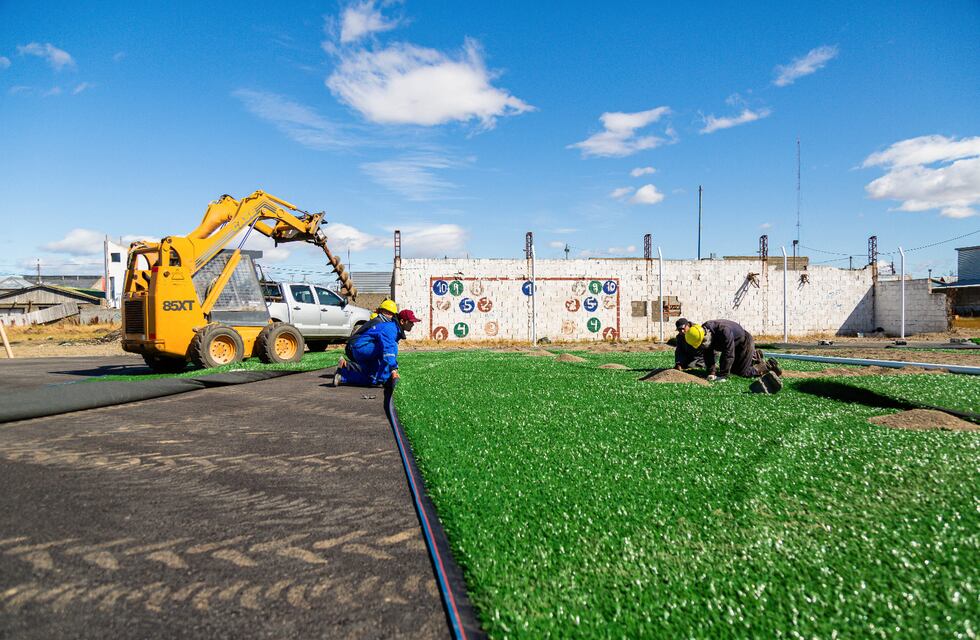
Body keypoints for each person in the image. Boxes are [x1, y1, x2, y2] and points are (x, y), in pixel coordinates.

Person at [334, 306, 420, 387]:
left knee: (374, 378)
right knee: (392, 349)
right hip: (362, 348)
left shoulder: (393, 328)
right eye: (411, 322)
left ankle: (342, 376)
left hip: (365, 349)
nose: (413, 324)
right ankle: (387, 378)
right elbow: (388, 351)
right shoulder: (390, 329)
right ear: (402, 321)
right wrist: (393, 370)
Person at [684, 319, 781, 381]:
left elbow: (728, 353)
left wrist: (723, 375)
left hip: (744, 343)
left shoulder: (723, 331)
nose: (702, 345)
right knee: (734, 369)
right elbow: (707, 352)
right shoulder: (703, 332)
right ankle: (754, 358)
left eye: (702, 343)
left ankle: (767, 366)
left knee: (741, 372)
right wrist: (711, 372)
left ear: (705, 335)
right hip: (734, 343)